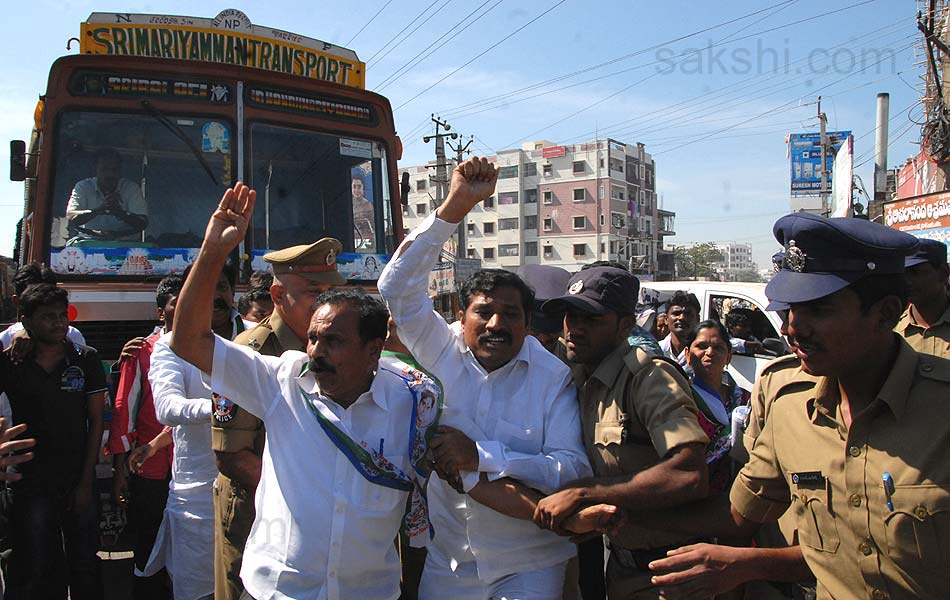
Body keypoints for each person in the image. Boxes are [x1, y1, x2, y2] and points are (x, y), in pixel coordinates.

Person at [607, 213, 950, 600]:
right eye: (790, 310)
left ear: (886, 312)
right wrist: (617, 513)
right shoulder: (789, 405)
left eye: (818, 310)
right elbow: (740, 514)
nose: (792, 328)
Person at [169, 181, 433, 600]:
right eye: (312, 339)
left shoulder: (413, 398)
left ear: (373, 350)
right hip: (278, 591)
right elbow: (187, 341)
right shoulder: (281, 380)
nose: (315, 352)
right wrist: (213, 251)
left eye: (333, 342)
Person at [379, 156, 592, 600]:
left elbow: (570, 469)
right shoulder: (441, 347)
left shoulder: (553, 378)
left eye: (510, 314)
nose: (496, 324)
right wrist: (455, 207)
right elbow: (395, 287)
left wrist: (484, 457)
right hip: (450, 562)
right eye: (484, 312)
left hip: (530, 564)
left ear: (528, 322)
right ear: (461, 315)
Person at [534, 267, 709, 600]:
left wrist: (588, 493)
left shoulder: (648, 378)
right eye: (571, 315)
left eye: (592, 319)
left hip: (669, 572)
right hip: (621, 566)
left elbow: (689, 473)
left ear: (625, 325)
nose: (575, 329)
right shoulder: (577, 370)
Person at [212, 238, 345, 600]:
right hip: (257, 513)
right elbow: (231, 455)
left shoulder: (338, 346)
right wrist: (303, 501)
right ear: (276, 294)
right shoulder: (250, 352)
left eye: (333, 291)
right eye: (315, 293)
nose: (326, 304)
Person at [143, 263, 247, 600]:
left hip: (257, 489)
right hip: (198, 496)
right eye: (207, 286)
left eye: (223, 288)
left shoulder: (254, 338)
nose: (216, 296)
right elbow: (168, 408)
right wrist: (223, 408)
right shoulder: (170, 345)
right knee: (198, 589)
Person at [0, 284, 106, 600]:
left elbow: (96, 422)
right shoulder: (11, 362)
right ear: (25, 320)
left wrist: (87, 481)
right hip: (28, 482)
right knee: (35, 565)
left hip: (76, 478)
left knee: (85, 562)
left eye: (62, 316)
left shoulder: (85, 360)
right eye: (48, 317)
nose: (59, 323)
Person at [106, 275, 180, 600]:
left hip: (195, 469)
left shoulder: (211, 349)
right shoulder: (142, 352)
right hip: (150, 468)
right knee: (148, 544)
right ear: (161, 313)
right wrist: (120, 469)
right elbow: (124, 410)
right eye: (177, 305)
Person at [685, 320, 750, 495]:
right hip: (696, 496)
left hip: (741, 493)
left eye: (718, 348)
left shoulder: (745, 399)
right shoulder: (681, 399)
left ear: (729, 356)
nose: (710, 353)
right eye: (701, 346)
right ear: (687, 354)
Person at [66, 148, 147, 240]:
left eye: (114, 170)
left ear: (120, 171)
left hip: (125, 245)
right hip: (89, 242)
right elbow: (70, 216)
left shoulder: (131, 188)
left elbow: (142, 223)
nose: (110, 174)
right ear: (95, 170)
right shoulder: (83, 187)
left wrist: (119, 212)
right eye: (104, 169)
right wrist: (99, 210)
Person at [897, 238, 950, 359]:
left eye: (915, 272)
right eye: (902, 273)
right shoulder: (893, 331)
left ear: (943, 273)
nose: (907, 281)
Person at [517, 264, 571, 354]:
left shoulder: (576, 362)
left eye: (553, 329)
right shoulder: (493, 360)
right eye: (534, 330)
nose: (543, 339)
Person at [659, 291, 700, 367]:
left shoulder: (703, 354)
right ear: (666, 319)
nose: (682, 318)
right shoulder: (656, 351)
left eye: (687, 314)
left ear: (698, 319)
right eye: (676, 313)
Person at [352, 172, 375, 248]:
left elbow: (372, 226)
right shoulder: (347, 204)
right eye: (354, 186)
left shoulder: (368, 205)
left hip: (365, 240)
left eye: (359, 186)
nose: (356, 190)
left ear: (363, 188)